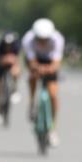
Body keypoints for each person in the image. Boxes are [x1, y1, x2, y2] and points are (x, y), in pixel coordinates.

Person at [22, 18, 64, 146]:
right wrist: (37, 68)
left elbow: (56, 62)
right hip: (36, 60)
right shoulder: (28, 39)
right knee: (33, 77)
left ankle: (52, 129)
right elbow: (31, 60)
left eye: (45, 39)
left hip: (50, 61)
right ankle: (32, 102)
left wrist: (50, 69)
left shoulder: (58, 39)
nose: (42, 42)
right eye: (40, 39)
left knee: (53, 95)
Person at [0, 31, 22, 124]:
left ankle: (15, 88)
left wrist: (12, 61)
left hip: (12, 65)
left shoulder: (16, 46)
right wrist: (4, 60)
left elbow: (17, 58)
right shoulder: (0, 45)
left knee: (16, 71)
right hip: (1, 66)